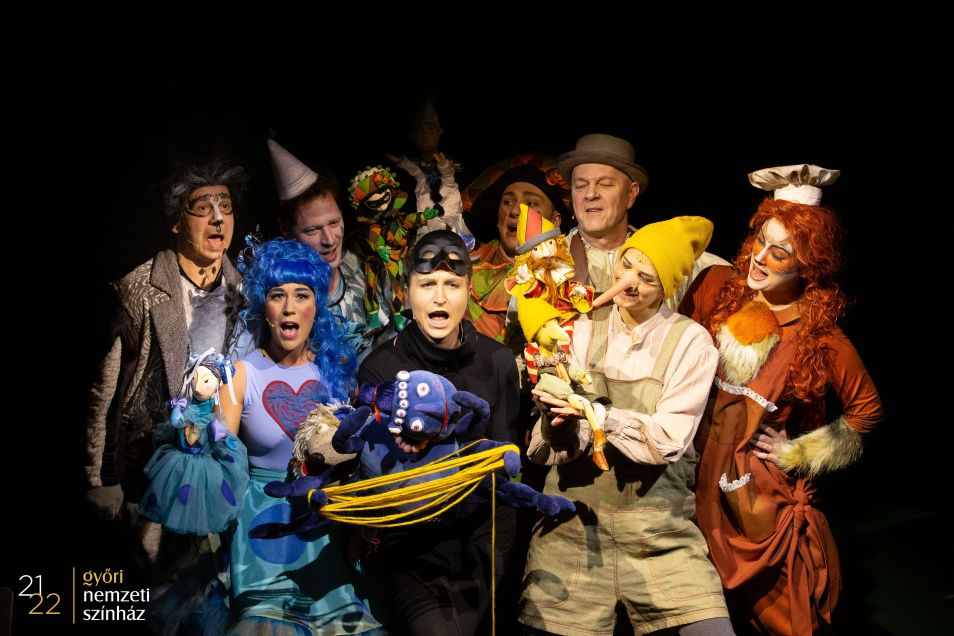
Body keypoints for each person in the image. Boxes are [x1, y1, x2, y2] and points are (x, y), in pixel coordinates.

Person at [679, 164, 883, 635]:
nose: (758, 257)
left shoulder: (822, 338)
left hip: (756, 498)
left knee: (783, 621)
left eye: (779, 251)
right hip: (693, 482)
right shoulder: (716, 290)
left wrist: (798, 452)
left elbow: (866, 410)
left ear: (807, 264)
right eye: (759, 240)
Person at [520, 216, 733, 635]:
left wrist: (598, 414)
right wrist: (557, 423)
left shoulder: (691, 342)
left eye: (646, 278)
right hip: (574, 529)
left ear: (667, 287)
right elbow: (555, 447)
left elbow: (667, 441)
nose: (629, 282)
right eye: (627, 265)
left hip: (658, 535)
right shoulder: (579, 327)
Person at [357, 229, 521, 635]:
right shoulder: (380, 369)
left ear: (469, 289)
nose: (440, 297)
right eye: (427, 284)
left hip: (478, 550)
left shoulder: (498, 362)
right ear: (407, 290)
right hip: (410, 551)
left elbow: (507, 472)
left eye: (452, 284)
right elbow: (377, 477)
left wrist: (496, 559)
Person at [85, 159, 247, 563]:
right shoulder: (140, 290)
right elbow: (105, 393)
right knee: (146, 575)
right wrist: (102, 478)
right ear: (176, 222)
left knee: (202, 579)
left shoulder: (241, 289)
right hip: (145, 467)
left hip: (211, 464)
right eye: (203, 208)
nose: (217, 219)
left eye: (225, 207)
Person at [217, 238, 380, 634]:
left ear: (316, 306)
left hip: (324, 527)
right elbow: (218, 462)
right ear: (265, 307)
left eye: (301, 295)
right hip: (263, 527)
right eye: (278, 295)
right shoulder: (240, 374)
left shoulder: (335, 373)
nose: (289, 307)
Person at [558, 133, 728, 309]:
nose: (590, 194)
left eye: (605, 184)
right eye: (580, 185)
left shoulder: (667, 255)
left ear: (631, 194)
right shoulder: (549, 261)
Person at [267, 138, 392, 361]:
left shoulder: (367, 266)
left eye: (334, 223)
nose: (329, 239)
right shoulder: (280, 306)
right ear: (287, 230)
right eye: (313, 230)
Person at [462, 154, 571, 343]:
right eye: (507, 202)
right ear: (498, 219)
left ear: (555, 221)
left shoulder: (571, 275)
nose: (514, 211)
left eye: (531, 203)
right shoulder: (464, 267)